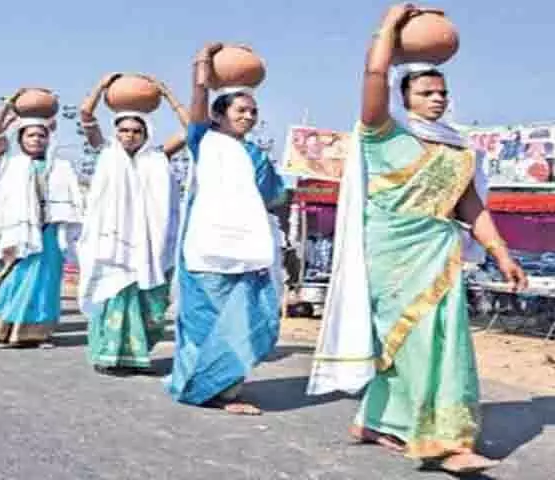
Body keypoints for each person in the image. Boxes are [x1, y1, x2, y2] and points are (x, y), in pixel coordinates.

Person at [307, 4, 528, 474]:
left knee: (436, 341)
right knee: (418, 342)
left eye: (442, 92)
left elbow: (470, 207)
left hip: (440, 252)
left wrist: (502, 253)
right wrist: (390, 24)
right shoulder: (383, 134)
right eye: (426, 92)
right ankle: (443, 442)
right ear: (402, 96)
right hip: (392, 255)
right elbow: (373, 73)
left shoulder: (455, 147)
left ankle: (378, 419)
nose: (436, 99)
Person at [164, 43, 289, 414]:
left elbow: (273, 196)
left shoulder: (257, 155)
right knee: (206, 320)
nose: (249, 117)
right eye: (241, 110)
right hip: (208, 246)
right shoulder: (205, 140)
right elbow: (199, 103)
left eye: (253, 111)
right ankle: (206, 389)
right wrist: (202, 67)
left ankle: (224, 385)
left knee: (253, 317)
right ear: (218, 116)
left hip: (249, 248)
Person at [77, 73, 187, 375]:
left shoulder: (158, 156)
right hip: (112, 246)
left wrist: (168, 96)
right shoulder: (106, 151)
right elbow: (86, 115)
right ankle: (108, 355)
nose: (129, 135)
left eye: (136, 131)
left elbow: (192, 129)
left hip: (150, 246)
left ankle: (137, 354)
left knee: (151, 305)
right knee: (113, 294)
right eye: (123, 130)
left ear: (145, 133)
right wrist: (101, 86)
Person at [0, 91, 83, 347]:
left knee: (46, 281)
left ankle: (39, 332)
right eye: (31, 135)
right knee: (17, 277)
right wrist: (9, 105)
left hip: (50, 232)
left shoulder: (61, 167)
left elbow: (73, 200)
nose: (36, 139)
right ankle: (5, 326)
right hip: (19, 232)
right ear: (20, 138)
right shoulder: (10, 162)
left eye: (41, 135)